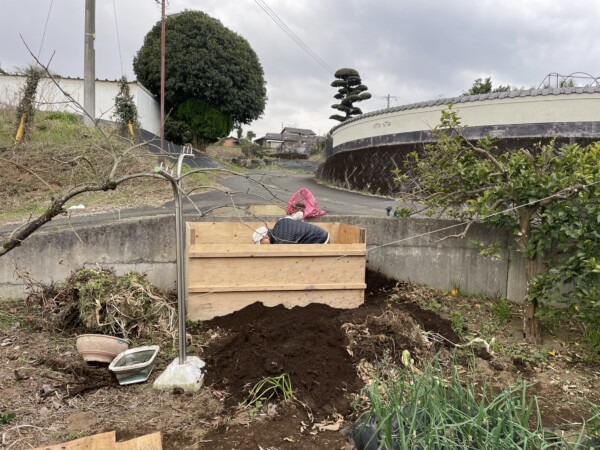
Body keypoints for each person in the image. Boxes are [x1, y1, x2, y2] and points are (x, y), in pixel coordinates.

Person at [252, 212, 330, 245]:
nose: (262, 246)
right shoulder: (281, 221)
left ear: (265, 237)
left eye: (261, 243)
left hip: (320, 241)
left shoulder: (280, 241)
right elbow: (298, 214)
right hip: (321, 234)